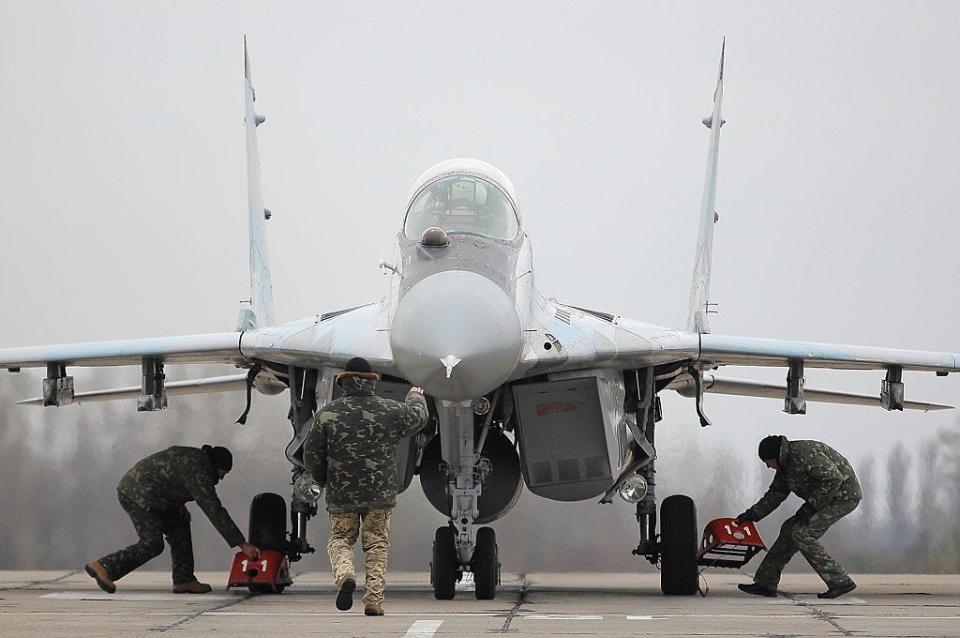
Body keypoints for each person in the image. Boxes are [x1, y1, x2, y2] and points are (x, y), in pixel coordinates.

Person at [304, 357, 429, 616]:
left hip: (342, 494)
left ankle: (346, 574)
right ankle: (373, 600)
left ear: (344, 381)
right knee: (376, 545)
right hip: (379, 494)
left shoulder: (328, 414)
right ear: (373, 381)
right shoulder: (389, 410)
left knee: (340, 540)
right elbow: (419, 419)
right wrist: (415, 396)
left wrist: (322, 479)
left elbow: (311, 454)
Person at [84, 445, 260, 594]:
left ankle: (184, 579)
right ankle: (104, 566)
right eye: (223, 472)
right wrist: (242, 544)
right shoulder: (199, 470)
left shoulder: (195, 458)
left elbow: (171, 475)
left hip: (153, 494)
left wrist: (178, 502)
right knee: (152, 543)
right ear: (215, 466)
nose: (222, 477)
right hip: (137, 495)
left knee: (180, 522)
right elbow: (213, 508)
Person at [735, 435, 862, 599]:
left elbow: (833, 478)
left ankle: (839, 581)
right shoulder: (785, 467)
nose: (767, 466)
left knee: (802, 533)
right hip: (825, 500)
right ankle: (765, 583)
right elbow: (776, 494)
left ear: (777, 456)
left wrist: (811, 505)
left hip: (843, 498)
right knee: (789, 530)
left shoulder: (803, 454)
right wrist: (753, 513)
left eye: (767, 461)